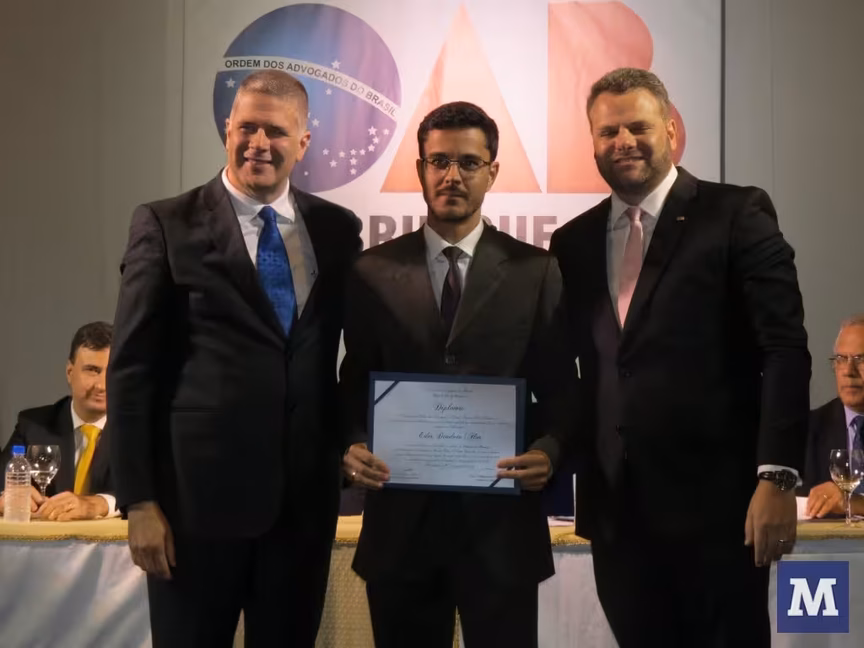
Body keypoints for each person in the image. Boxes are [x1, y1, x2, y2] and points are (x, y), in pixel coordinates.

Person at [549, 67, 811, 647]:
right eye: (608, 131)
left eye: (638, 127)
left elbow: (785, 348)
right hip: (617, 518)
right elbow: (574, 372)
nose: (624, 142)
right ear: (592, 142)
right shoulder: (572, 242)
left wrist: (776, 475)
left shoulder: (736, 213)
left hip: (721, 513)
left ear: (670, 129)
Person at [107, 70, 361, 647]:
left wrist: (355, 437)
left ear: (304, 142)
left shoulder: (337, 229)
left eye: (276, 131)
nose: (259, 144)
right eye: (247, 127)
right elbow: (131, 371)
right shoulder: (166, 223)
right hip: (193, 511)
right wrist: (139, 501)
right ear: (227, 129)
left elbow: (351, 356)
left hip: (301, 508)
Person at [340, 101, 577, 648]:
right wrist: (349, 445)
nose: (452, 175)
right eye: (439, 161)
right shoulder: (371, 270)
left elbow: (563, 390)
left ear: (492, 172)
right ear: (420, 169)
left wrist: (549, 450)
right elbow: (352, 383)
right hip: (401, 531)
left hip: (501, 533)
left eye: (469, 162)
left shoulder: (537, 271)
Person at [0, 321, 115, 520]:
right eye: (92, 370)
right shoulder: (33, 425)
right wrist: (8, 496)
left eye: (112, 372)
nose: (102, 385)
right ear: (70, 372)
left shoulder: (140, 431)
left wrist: (100, 504)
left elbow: (153, 491)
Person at [801, 316, 864, 517]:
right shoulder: (808, 429)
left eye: (860, 359)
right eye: (841, 359)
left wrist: (855, 503)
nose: (849, 371)